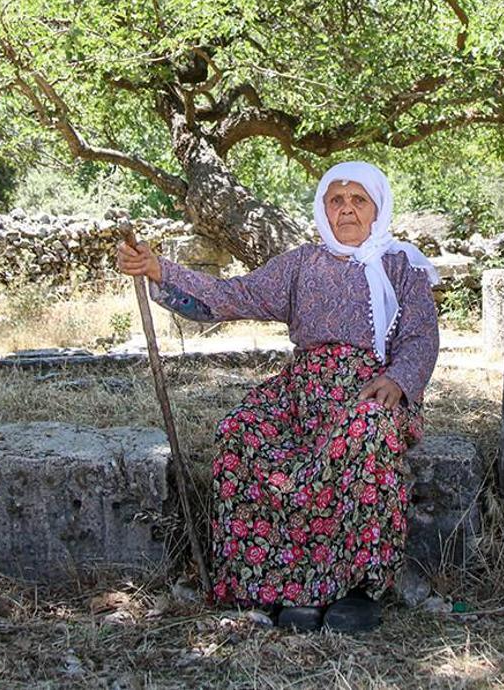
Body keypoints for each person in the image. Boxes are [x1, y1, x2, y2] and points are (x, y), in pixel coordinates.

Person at [117, 160, 439, 633]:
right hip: (302, 393)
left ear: (378, 208)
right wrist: (159, 269)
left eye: (358, 200)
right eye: (336, 200)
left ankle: (356, 590)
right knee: (241, 432)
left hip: (375, 391)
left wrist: (400, 379)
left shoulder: (402, 265)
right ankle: (281, 586)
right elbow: (230, 296)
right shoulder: (302, 264)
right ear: (323, 209)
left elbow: (421, 336)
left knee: (364, 434)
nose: (346, 210)